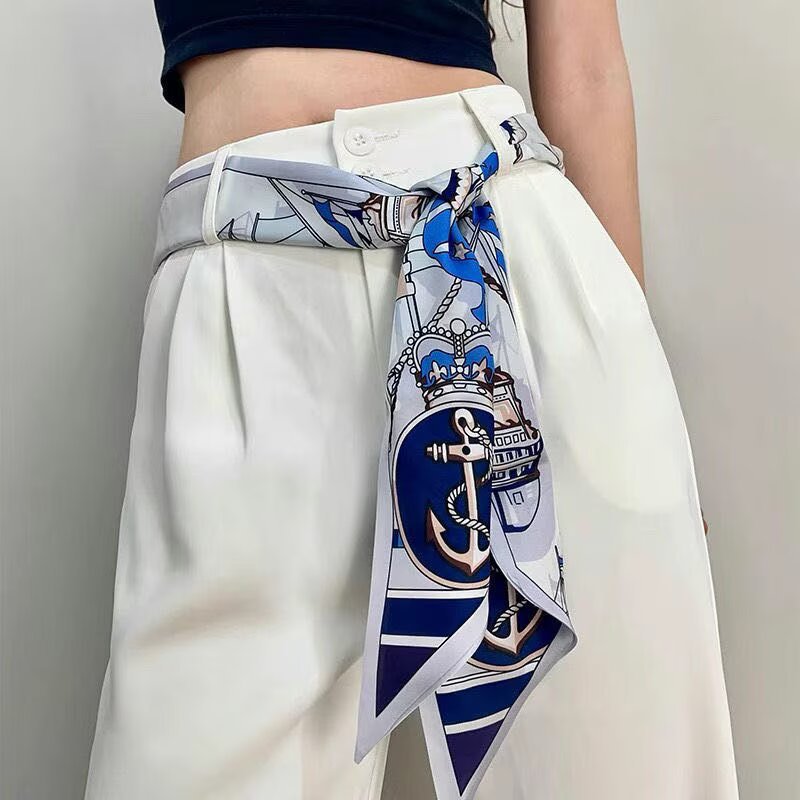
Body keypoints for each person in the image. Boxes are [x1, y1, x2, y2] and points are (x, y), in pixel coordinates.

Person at [85, 2, 740, 799]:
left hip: (502, 245)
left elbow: (589, 70)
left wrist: (639, 418)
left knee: (623, 765)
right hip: (248, 276)